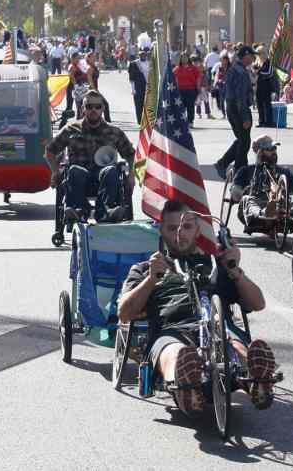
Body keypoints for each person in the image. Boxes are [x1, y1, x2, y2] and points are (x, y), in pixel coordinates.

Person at [118, 200, 278, 414]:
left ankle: (254, 380)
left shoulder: (215, 265)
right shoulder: (147, 268)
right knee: (178, 353)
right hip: (171, 332)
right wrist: (150, 281)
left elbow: (258, 304)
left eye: (186, 227)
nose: (179, 234)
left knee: (235, 345)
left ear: (197, 231)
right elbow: (124, 313)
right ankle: (187, 387)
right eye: (172, 228)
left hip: (218, 329)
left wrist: (234, 270)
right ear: (161, 231)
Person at [45, 89, 134, 223]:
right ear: (82, 109)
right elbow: (50, 151)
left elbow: (131, 154)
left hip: (105, 178)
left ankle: (105, 212)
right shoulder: (71, 129)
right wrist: (55, 172)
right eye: (89, 106)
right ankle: (78, 211)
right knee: (75, 170)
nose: (93, 110)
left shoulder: (114, 132)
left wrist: (131, 175)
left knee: (111, 170)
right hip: (79, 178)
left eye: (97, 107)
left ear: (103, 109)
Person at [227, 136, 293, 222]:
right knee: (248, 200)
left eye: (274, 148)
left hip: (280, 207)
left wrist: (291, 197)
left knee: (291, 199)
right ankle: (265, 212)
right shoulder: (245, 171)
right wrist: (246, 191)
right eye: (269, 149)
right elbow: (235, 193)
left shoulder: (284, 171)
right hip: (253, 210)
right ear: (260, 152)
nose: (274, 151)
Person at [214, 46, 255, 176]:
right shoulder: (240, 72)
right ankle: (239, 170)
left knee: (243, 140)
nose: (253, 59)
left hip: (233, 107)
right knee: (244, 141)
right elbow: (240, 96)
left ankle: (230, 165)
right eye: (251, 56)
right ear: (246, 56)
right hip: (238, 109)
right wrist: (245, 117)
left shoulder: (235, 69)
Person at [173, 53, 201, 127]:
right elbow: (173, 79)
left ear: (188, 59)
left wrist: (198, 88)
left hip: (191, 90)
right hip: (180, 91)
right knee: (181, 107)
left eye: (185, 58)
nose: (184, 59)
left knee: (190, 106)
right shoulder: (177, 68)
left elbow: (198, 77)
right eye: (182, 58)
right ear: (180, 59)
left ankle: (190, 121)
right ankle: (182, 122)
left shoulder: (193, 68)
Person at [127, 46, 151, 125]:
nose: (143, 56)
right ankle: (140, 121)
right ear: (138, 55)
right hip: (138, 87)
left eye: (144, 55)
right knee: (138, 104)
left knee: (147, 104)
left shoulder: (150, 63)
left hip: (148, 86)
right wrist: (133, 89)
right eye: (141, 55)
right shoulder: (134, 64)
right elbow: (131, 78)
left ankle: (147, 120)